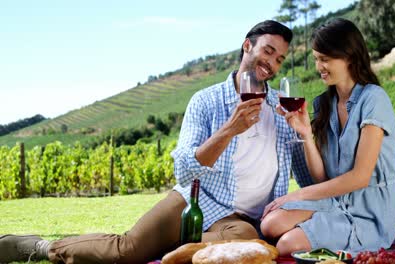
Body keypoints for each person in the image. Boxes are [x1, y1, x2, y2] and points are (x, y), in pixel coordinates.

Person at [0, 20, 313, 264]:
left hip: (242, 222)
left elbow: (309, 179)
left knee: (245, 240)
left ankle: (177, 246)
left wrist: (305, 134)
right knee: (126, 251)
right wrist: (228, 130)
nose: (272, 63)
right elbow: (184, 170)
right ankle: (37, 246)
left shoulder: (282, 109)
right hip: (194, 200)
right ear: (248, 46)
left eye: (280, 59)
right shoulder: (206, 101)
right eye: (268, 51)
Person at [260, 18, 395, 257]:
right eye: (316, 59)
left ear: (350, 57)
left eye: (325, 59)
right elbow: (322, 178)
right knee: (269, 225)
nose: (318, 66)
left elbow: (360, 177)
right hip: (334, 202)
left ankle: (329, 234)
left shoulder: (374, 99)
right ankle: (320, 229)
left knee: (285, 245)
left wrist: (295, 195)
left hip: (367, 213)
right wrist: (306, 135)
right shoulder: (324, 104)